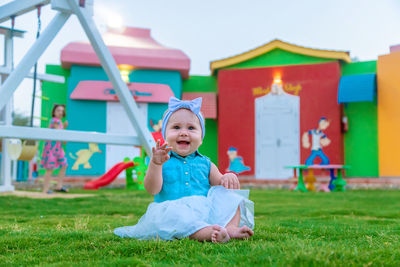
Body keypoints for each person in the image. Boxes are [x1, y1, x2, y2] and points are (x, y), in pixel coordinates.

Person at [114, 97, 254, 243]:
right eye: (176, 127)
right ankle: (208, 233)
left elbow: (220, 183)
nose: (183, 133)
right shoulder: (162, 160)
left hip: (203, 211)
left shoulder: (206, 163)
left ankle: (230, 227)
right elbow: (152, 189)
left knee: (232, 197)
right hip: (172, 213)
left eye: (191, 128)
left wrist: (228, 177)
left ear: (201, 138)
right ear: (165, 134)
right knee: (180, 219)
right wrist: (155, 164)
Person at [41, 104, 69, 193]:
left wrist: (64, 129)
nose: (60, 112)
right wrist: (64, 128)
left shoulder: (60, 122)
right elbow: (59, 133)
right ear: (54, 112)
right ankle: (45, 190)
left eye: (62, 111)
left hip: (58, 148)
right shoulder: (54, 121)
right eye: (58, 110)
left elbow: (63, 139)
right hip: (51, 149)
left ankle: (59, 186)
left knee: (64, 164)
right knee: (50, 168)